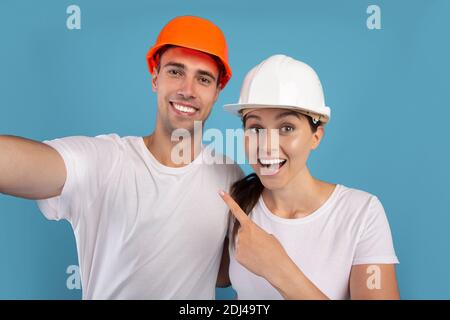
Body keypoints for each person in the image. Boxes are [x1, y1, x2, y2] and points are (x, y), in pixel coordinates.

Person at [0, 16, 243, 299]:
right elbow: (16, 165)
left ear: (217, 92)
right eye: (176, 72)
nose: (187, 90)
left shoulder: (228, 176)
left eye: (203, 78)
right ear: (155, 77)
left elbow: (225, 272)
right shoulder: (105, 162)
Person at [218, 54, 400, 299]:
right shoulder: (237, 205)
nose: (267, 146)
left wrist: (279, 270)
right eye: (256, 128)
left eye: (286, 128)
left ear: (316, 136)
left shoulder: (362, 214)